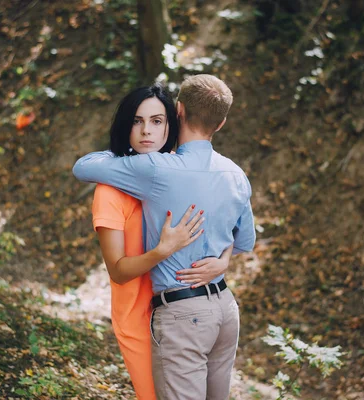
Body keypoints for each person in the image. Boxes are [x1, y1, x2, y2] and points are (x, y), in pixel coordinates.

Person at [74, 74, 255, 400]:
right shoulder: (235, 174)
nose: (147, 130)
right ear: (222, 122)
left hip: (184, 314)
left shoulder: (156, 169)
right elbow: (244, 241)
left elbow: (83, 166)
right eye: (139, 122)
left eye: (157, 120)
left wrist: (125, 156)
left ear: (178, 111)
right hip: (226, 310)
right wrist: (222, 262)